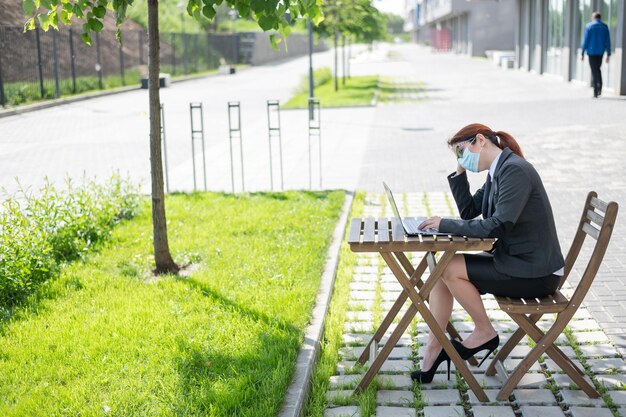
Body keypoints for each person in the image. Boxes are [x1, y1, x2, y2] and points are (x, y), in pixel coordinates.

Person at [410, 123, 565, 383]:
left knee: (448, 269)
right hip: (516, 262)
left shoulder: (514, 171)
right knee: (439, 271)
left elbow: (498, 225)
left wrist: (443, 224)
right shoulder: (498, 170)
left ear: (480, 140)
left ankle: (484, 332)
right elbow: (470, 211)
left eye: (461, 153)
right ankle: (434, 350)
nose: (462, 159)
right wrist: (460, 170)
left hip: (535, 272)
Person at [581, 11, 611, 98]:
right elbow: (607, 42)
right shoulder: (605, 27)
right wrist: (608, 54)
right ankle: (599, 88)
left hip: (591, 52)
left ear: (593, 17)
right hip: (600, 52)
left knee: (594, 70)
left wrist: (582, 53)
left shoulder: (589, 26)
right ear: (600, 18)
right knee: (597, 69)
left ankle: (595, 91)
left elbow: (585, 41)